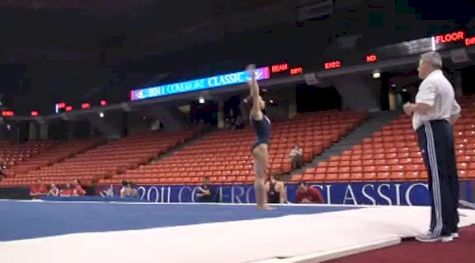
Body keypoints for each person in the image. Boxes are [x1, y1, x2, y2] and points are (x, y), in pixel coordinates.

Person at [403, 51, 461, 242]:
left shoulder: (429, 82)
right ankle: (451, 226)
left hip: (431, 128)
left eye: (420, 64)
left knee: (437, 178)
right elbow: (456, 111)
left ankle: (439, 228)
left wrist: (410, 107)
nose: (418, 68)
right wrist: (443, 127)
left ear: (428, 64)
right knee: (448, 177)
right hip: (443, 128)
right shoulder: (446, 83)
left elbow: (425, 107)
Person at [247, 64, 272, 209]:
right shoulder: (256, 113)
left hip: (258, 145)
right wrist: (253, 77)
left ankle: (260, 205)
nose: (262, 101)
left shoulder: (258, 115)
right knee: (262, 177)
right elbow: (255, 95)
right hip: (261, 145)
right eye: (261, 100)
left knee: (259, 177)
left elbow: (254, 95)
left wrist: (250, 84)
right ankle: (262, 205)